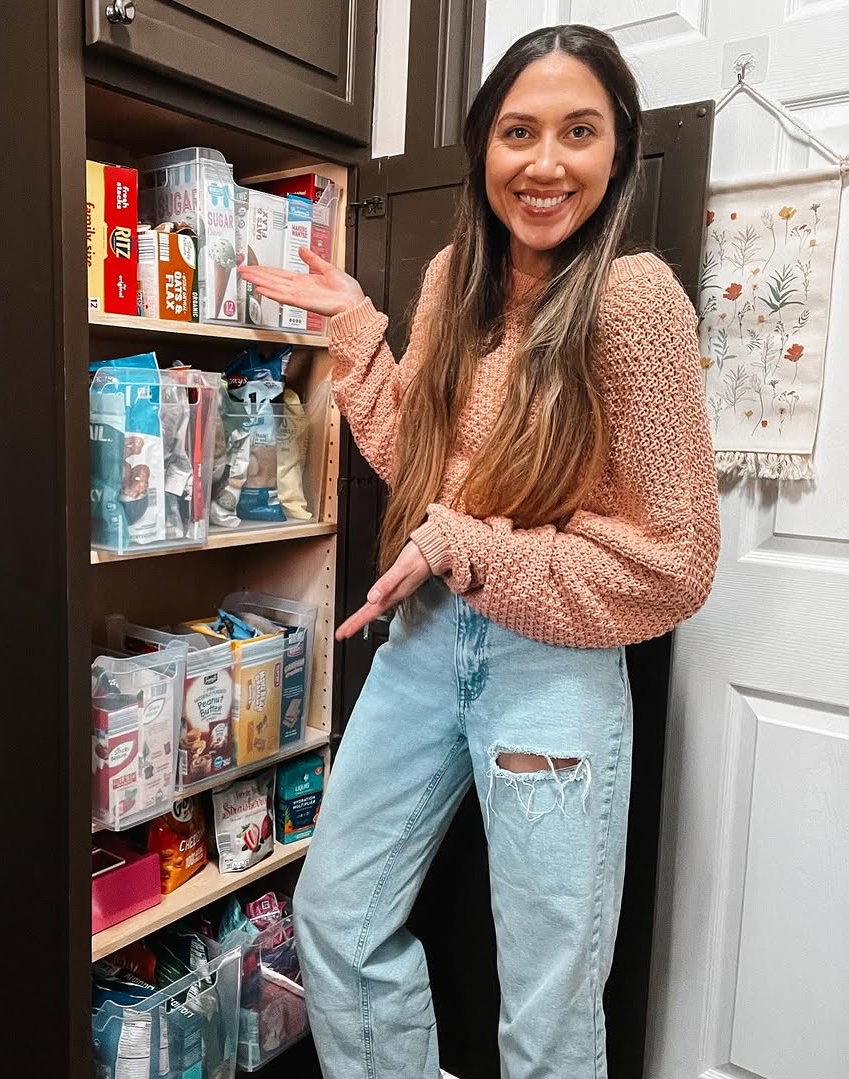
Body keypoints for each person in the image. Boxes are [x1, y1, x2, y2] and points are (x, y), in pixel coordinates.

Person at [239, 23, 720, 1079]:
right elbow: (423, 452)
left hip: (550, 667)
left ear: (619, 149)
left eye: (579, 131)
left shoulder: (633, 305)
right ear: (484, 149)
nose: (546, 162)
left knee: (548, 1006)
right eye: (519, 131)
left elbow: (674, 563)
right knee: (336, 916)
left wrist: (468, 545)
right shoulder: (459, 274)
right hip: (424, 647)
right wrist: (360, 326)